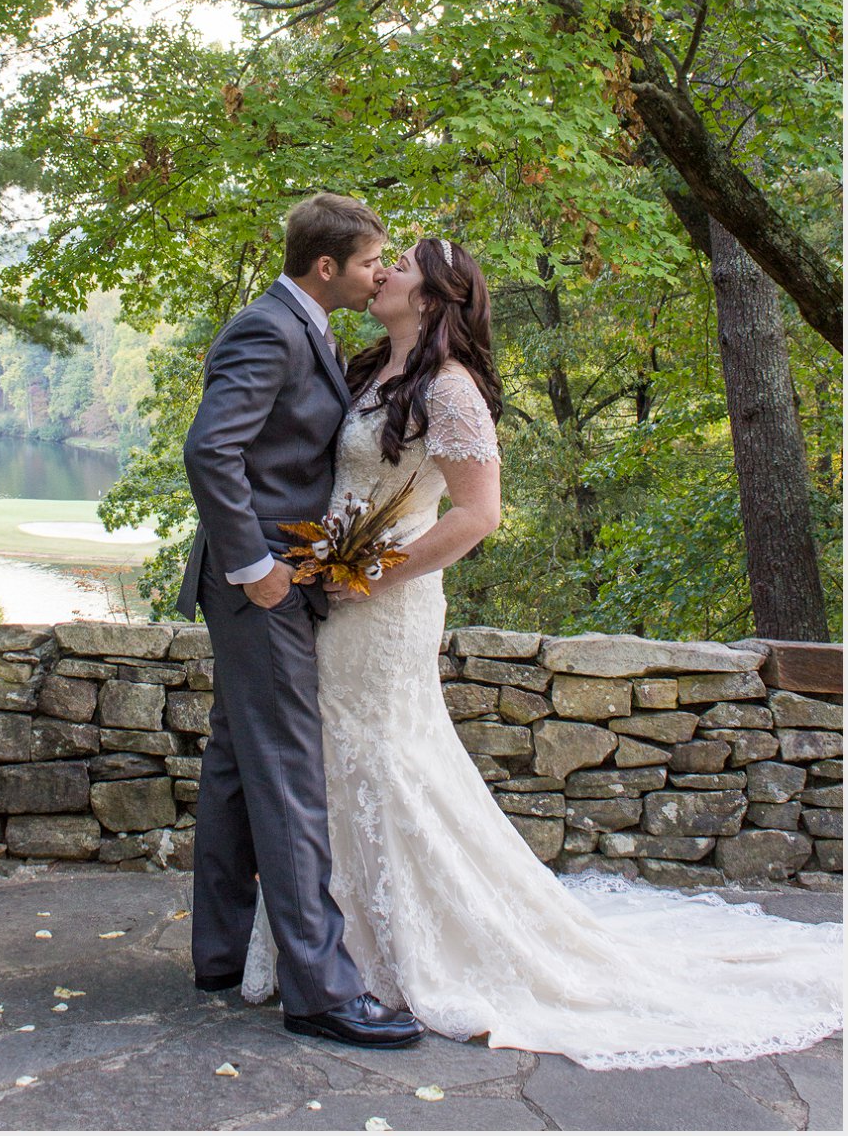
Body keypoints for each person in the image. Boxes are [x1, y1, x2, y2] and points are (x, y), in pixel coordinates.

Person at [241, 237, 843, 1071]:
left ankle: (393, 956)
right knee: (340, 762)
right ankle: (339, 951)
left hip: (386, 605)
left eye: (401, 266)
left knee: (380, 759)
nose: (383, 273)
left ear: (434, 296)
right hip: (338, 600)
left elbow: (477, 514)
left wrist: (371, 572)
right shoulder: (374, 368)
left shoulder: (450, 388)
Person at [178, 193, 425, 1048]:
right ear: (327, 267)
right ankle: (320, 990)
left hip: (284, 575)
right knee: (288, 769)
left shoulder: (309, 328)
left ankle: (219, 953)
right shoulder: (269, 329)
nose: (379, 274)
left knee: (237, 762)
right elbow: (210, 448)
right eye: (370, 262)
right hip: (262, 583)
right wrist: (257, 570)